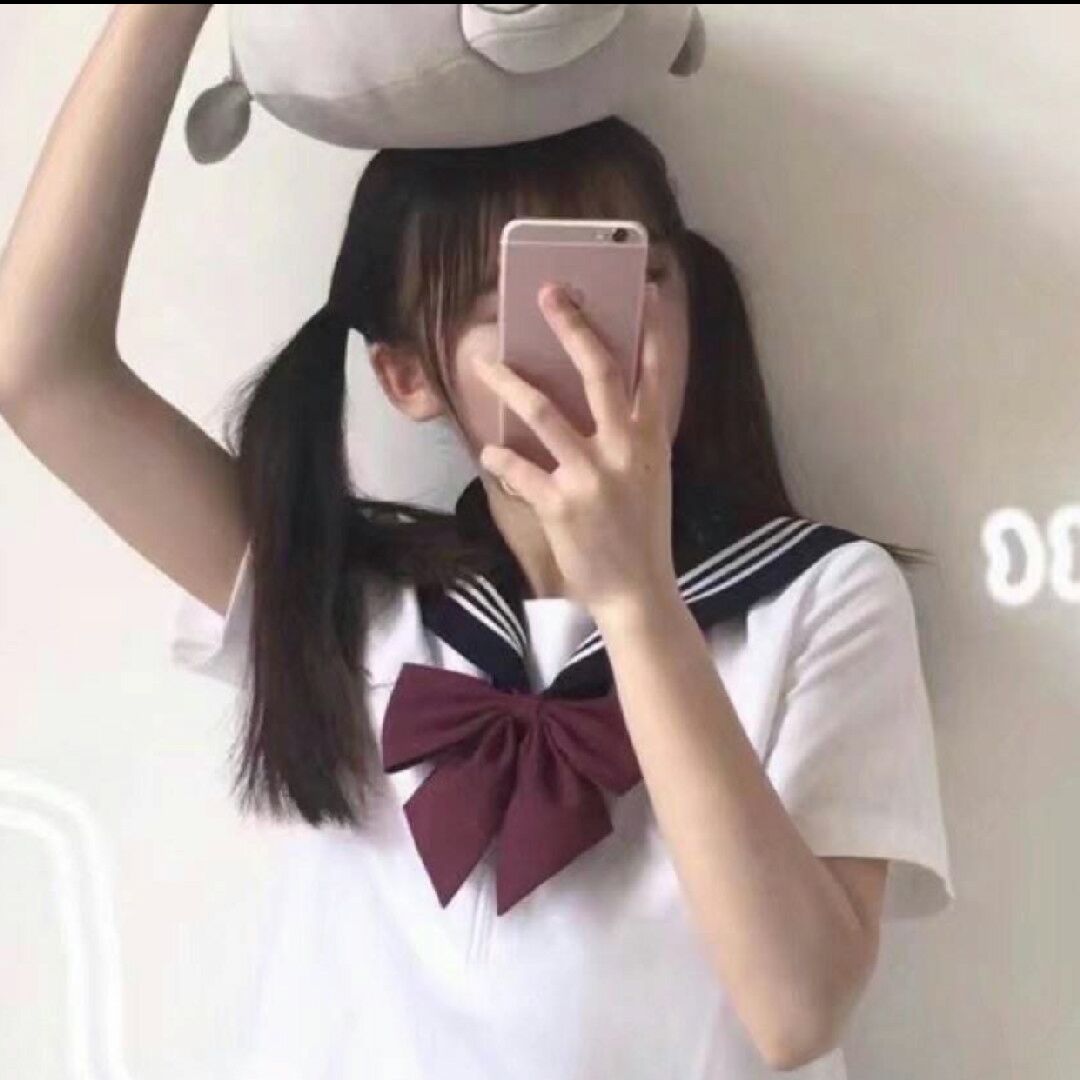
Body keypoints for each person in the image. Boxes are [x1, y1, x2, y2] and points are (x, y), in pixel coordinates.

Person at [0, 6, 954, 1078]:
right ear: (408, 375)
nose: (598, 346)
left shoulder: (818, 598)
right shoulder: (354, 603)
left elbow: (797, 1010)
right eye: (527, 311)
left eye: (633, 282)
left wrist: (636, 599)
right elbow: (42, 372)